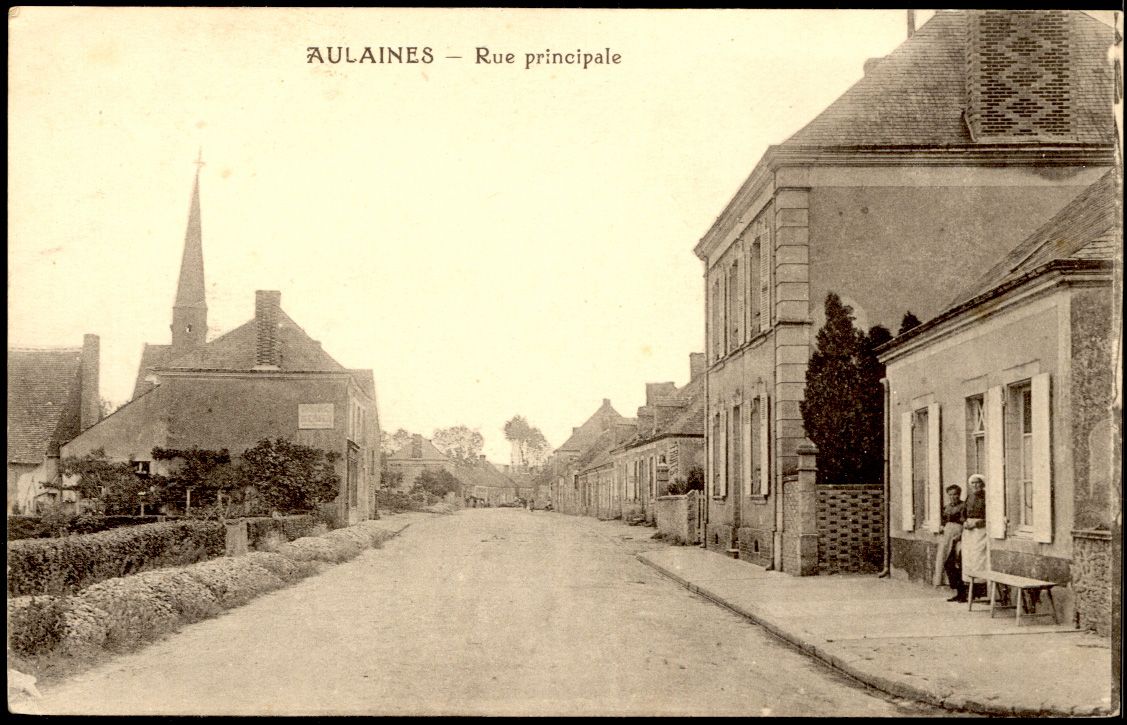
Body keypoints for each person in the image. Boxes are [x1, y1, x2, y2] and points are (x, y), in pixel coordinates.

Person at [935, 484, 967, 602]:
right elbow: (943, 521)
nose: (953, 497)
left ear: (959, 494)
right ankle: (957, 591)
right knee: (948, 563)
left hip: (959, 536)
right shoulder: (946, 507)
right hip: (947, 537)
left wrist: (961, 535)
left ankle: (964, 593)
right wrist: (942, 527)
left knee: (958, 562)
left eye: (955, 494)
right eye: (951, 495)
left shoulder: (964, 506)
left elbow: (966, 522)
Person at [961, 474, 989, 601]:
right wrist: (965, 522)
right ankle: (970, 589)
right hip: (969, 530)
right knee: (968, 557)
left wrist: (978, 523)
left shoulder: (986, 497)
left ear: (982, 484)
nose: (975, 485)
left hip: (981, 530)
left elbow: (990, 516)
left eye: (978, 483)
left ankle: (980, 590)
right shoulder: (969, 497)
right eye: (973, 483)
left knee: (979, 557)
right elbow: (963, 513)